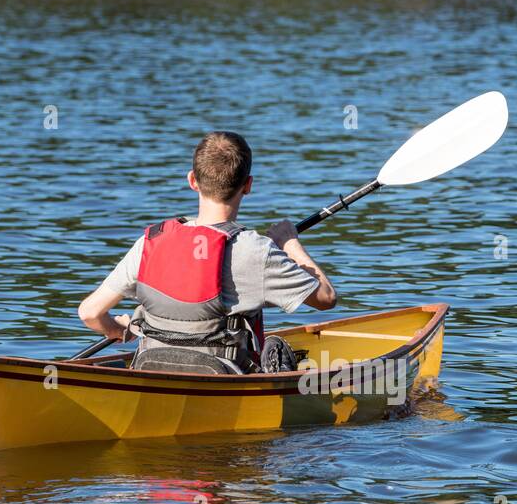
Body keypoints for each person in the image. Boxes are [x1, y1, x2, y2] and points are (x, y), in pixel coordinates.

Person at [78, 131, 336, 374]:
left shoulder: (151, 241)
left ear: (192, 180)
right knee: (276, 348)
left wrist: (119, 330)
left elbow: (90, 313)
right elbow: (325, 298)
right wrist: (290, 242)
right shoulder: (256, 250)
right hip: (223, 379)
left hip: (151, 370)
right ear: (247, 186)